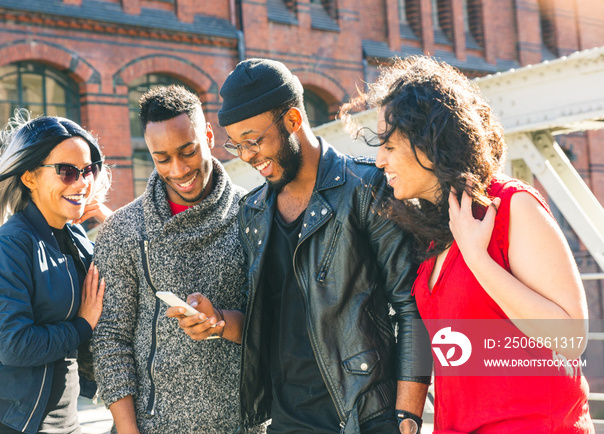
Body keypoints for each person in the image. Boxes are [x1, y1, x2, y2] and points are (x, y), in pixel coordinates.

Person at [174, 58, 431, 434]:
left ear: (293, 121)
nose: (246, 156)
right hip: (287, 420)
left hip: (363, 418)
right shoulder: (253, 211)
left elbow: (413, 310)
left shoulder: (366, 189)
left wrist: (406, 419)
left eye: (254, 141)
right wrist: (218, 322)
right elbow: (272, 319)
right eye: (237, 145)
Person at [342, 55, 594, 432]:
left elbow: (570, 338)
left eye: (390, 146)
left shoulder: (510, 205)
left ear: (429, 143)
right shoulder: (433, 233)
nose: (379, 160)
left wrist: (479, 259)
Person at [90, 85, 263, 433]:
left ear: (209, 136)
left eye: (188, 151)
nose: (179, 169)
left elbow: (277, 325)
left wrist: (220, 322)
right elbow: (110, 340)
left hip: (241, 425)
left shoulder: (256, 216)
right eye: (162, 158)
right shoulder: (123, 230)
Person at [0, 112, 112, 434]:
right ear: (30, 177)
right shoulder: (9, 246)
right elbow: (13, 344)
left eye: (88, 170)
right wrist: (82, 326)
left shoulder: (76, 239)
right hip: (12, 423)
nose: (83, 182)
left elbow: (129, 288)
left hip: (67, 421)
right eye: (67, 172)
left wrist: (114, 225)